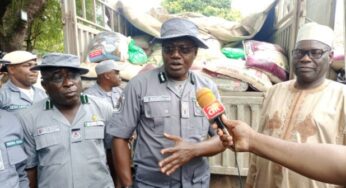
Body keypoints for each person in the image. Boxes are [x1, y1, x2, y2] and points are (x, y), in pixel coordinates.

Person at [107, 18, 225, 188]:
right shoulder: (138, 86)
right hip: (151, 184)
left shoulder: (207, 89)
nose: (176, 55)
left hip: (196, 183)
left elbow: (223, 138)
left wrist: (194, 150)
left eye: (184, 49)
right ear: (162, 52)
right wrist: (127, 184)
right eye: (169, 49)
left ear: (195, 52)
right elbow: (119, 137)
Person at [242, 22, 346, 188]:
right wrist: (250, 183)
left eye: (315, 53)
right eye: (300, 52)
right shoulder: (273, 92)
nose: (305, 58)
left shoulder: (342, 96)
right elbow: (258, 147)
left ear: (331, 56)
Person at [17, 53, 115, 188]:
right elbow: (30, 168)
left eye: (73, 75)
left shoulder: (103, 108)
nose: (68, 83)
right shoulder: (29, 117)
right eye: (57, 78)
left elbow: (113, 153)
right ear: (44, 85)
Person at [214, 116, 346, 186]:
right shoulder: (274, 90)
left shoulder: (341, 94)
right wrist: (251, 140)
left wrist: (252, 140)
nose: (305, 62)